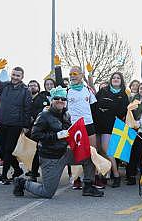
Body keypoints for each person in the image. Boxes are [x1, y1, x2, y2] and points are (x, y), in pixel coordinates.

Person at [13, 86, 104, 198]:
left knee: (90, 155)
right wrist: (55, 136)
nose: (60, 100)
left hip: (64, 153)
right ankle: (21, 183)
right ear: (52, 100)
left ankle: (88, 187)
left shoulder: (66, 115)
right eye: (57, 98)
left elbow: (69, 133)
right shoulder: (44, 115)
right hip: (50, 158)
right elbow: (35, 134)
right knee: (47, 192)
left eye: (63, 98)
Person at [54, 55, 98, 189]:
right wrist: (58, 67)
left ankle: (91, 179)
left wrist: (90, 75)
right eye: (70, 74)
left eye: (75, 73)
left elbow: (94, 104)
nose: (72, 76)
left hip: (88, 124)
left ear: (81, 75)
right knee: (75, 152)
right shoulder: (66, 91)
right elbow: (59, 84)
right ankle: (76, 178)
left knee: (91, 152)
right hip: (74, 126)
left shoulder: (88, 90)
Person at [0, 59, 32, 185]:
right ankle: (17, 170)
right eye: (13, 74)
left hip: (15, 124)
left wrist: (26, 125)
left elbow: (27, 109)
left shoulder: (25, 91)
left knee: (8, 149)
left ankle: (4, 175)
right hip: (2, 122)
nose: (15, 77)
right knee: (2, 149)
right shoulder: (5, 86)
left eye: (18, 75)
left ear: (22, 77)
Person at [94, 72, 129, 188]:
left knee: (107, 150)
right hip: (98, 123)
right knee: (99, 151)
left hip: (110, 125)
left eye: (118, 78)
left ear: (121, 81)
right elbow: (94, 103)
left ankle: (116, 175)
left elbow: (121, 112)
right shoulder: (103, 90)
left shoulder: (123, 95)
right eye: (113, 77)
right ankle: (103, 174)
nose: (115, 79)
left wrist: (106, 109)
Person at [26, 78, 56, 181]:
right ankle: (33, 173)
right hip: (42, 128)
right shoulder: (41, 96)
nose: (49, 86)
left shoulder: (60, 94)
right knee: (37, 151)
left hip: (56, 127)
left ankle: (70, 175)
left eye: (51, 84)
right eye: (47, 84)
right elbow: (34, 111)